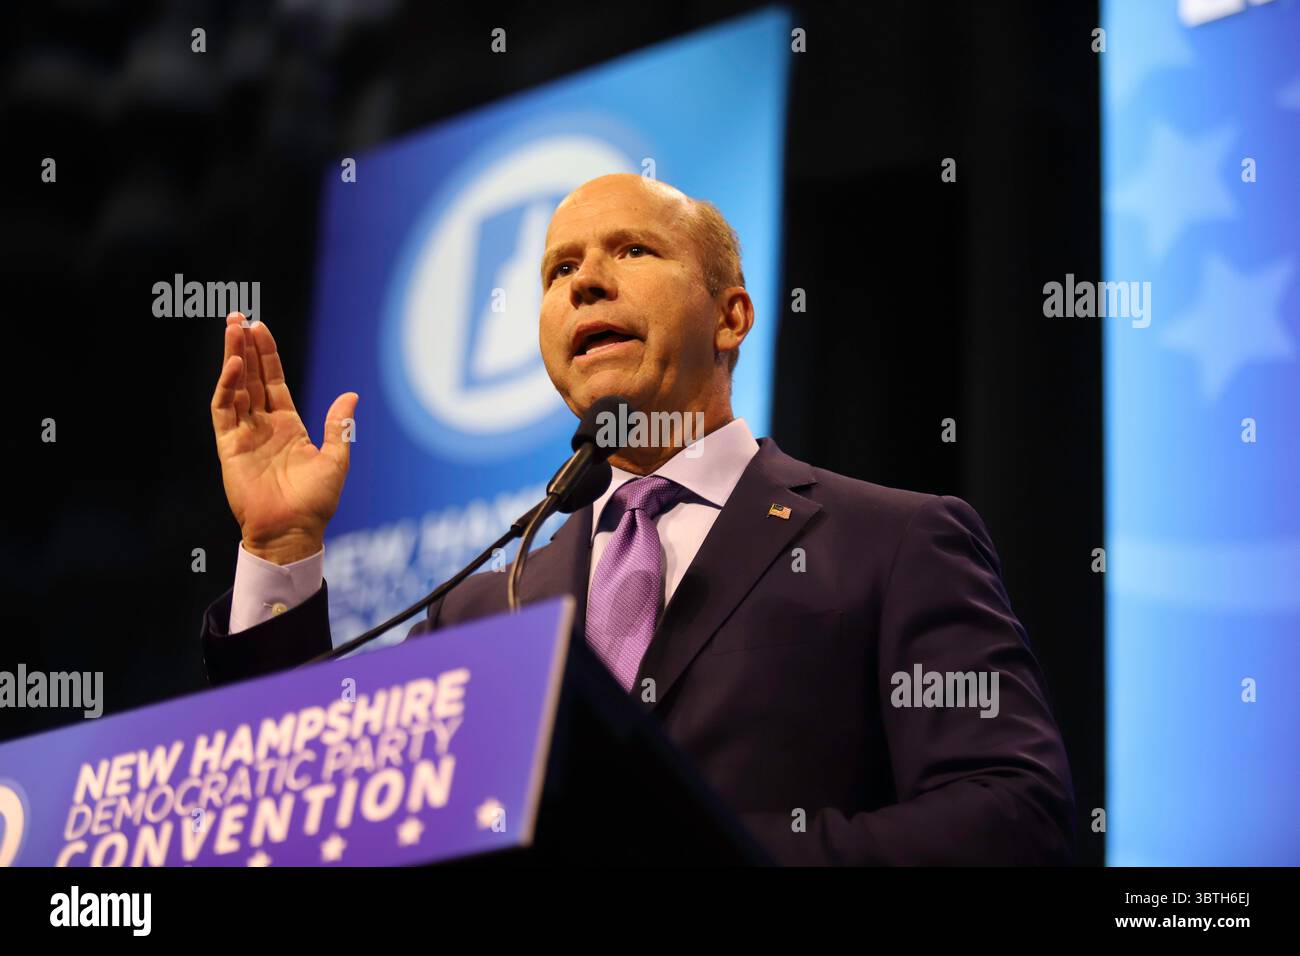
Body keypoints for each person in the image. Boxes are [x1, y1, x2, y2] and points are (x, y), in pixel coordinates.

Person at [203, 173, 1075, 865]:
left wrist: (714, 855)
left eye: (631, 249)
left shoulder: (891, 541)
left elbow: (1013, 818)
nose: (585, 282)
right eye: (558, 270)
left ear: (730, 315)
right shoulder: (481, 608)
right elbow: (310, 815)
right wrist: (281, 548)